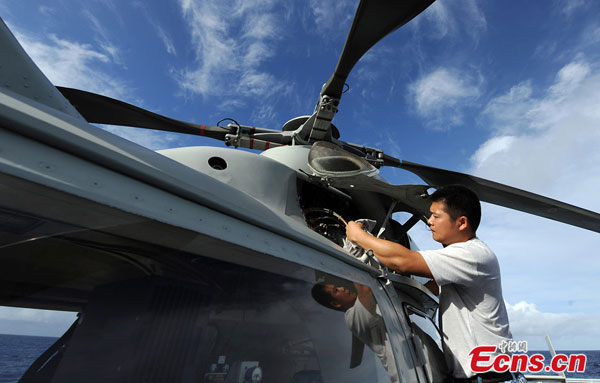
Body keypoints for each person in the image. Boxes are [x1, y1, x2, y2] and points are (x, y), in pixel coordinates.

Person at [345, 185, 523, 383]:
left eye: (436, 216)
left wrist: (359, 237)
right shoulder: (463, 260)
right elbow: (429, 288)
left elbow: (403, 262)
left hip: (489, 378)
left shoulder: (472, 254)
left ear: (462, 222)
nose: (429, 222)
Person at [312, 281, 399, 383]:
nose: (342, 288)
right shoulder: (352, 317)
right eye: (336, 290)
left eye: (338, 285)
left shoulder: (372, 302)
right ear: (336, 304)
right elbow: (364, 286)